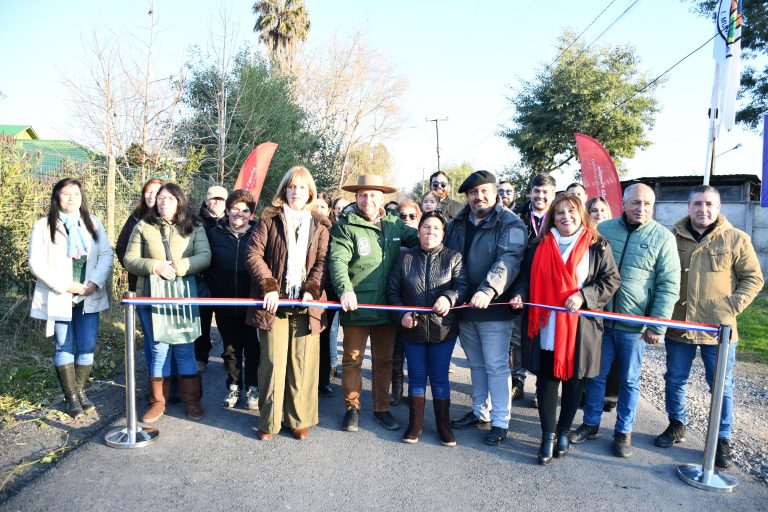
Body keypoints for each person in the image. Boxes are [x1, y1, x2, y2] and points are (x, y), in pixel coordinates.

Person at [654, 185, 763, 469]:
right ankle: (677, 424)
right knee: (675, 379)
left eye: (709, 204)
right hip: (679, 324)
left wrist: (730, 307)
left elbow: (753, 279)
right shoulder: (671, 237)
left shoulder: (736, 238)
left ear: (718, 207)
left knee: (721, 386)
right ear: (689, 207)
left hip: (719, 330)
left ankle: (722, 438)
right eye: (698, 204)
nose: (703, 209)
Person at [571, 183, 680, 458]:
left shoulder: (663, 238)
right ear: (624, 202)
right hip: (600, 320)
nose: (641, 208)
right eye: (635, 203)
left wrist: (657, 326)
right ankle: (590, 423)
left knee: (629, 380)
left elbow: (668, 286)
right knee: (595, 375)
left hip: (634, 326)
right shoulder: (604, 230)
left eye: (647, 204)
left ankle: (623, 431)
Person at [513, 194, 620, 464]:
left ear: (581, 214)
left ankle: (563, 433)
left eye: (571, 211)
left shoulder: (597, 245)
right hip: (545, 325)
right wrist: (519, 295)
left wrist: (584, 295)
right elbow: (525, 279)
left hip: (579, 327)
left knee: (574, 381)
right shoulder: (538, 245)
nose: (566, 217)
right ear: (552, 217)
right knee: (546, 380)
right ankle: (547, 436)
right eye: (559, 212)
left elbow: (611, 280)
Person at [245, 166, 331, 440]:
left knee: (302, 365)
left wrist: (312, 289)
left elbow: (322, 261)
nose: (296, 192)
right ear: (285, 190)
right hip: (275, 306)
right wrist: (268, 287)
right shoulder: (269, 219)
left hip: (306, 306)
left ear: (310, 193)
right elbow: (253, 254)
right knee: (272, 364)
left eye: (302, 187)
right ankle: (269, 422)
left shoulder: (320, 225)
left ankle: (298, 419)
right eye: (292, 187)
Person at [329, 175, 418, 432]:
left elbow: (421, 240)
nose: (367, 200)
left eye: (373, 195)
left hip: (387, 307)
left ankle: (382, 408)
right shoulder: (345, 226)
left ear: (382, 198)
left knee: (384, 361)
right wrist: (345, 289)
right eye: (363, 195)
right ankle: (352, 409)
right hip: (356, 305)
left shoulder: (394, 224)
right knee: (352, 359)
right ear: (356, 197)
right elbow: (337, 260)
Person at [444, 170, 528, 446]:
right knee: (476, 364)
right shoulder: (458, 222)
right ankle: (480, 410)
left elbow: (509, 259)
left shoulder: (511, 223)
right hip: (464, 306)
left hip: (494, 306)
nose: (478, 197)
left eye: (484, 191)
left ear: (495, 193)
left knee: (496, 365)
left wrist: (488, 289)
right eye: (473, 193)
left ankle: (501, 421)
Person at [124, 183, 211, 423]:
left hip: (183, 296)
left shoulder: (194, 227)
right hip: (151, 298)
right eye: (160, 198)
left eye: (170, 199)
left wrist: (179, 267)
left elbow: (205, 256)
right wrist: (155, 266)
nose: (164, 202)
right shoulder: (144, 225)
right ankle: (158, 402)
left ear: (180, 201)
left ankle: (192, 401)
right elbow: (129, 258)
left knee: (184, 348)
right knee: (159, 348)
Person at [29, 178, 113, 419]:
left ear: (81, 197)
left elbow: (106, 255)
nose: (72, 198)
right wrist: (66, 286)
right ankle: (71, 398)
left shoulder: (93, 222)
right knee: (64, 346)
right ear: (57, 197)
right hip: (60, 295)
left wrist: (93, 283)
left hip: (88, 295)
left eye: (76, 193)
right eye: (66, 193)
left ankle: (81, 392)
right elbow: (36, 263)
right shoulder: (43, 225)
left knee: (87, 346)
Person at [387, 211, 468, 446]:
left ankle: (443, 425)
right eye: (425, 227)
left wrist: (449, 297)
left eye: (436, 228)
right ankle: (415, 423)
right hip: (412, 330)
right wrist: (401, 313)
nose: (430, 232)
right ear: (418, 231)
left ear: (443, 233)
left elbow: (462, 286)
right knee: (417, 376)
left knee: (440, 377)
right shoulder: (404, 258)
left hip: (443, 330)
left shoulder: (454, 257)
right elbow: (392, 291)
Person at [205, 189, 260, 410]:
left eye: (245, 210)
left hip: (253, 304)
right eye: (235, 209)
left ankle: (253, 388)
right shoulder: (214, 234)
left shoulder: (258, 233)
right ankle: (234, 386)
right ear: (227, 210)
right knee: (230, 349)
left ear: (251, 214)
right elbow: (206, 264)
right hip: (224, 303)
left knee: (253, 349)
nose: (240, 214)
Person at [512, 174, 557, 406]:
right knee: (517, 337)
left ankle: (541, 387)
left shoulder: (560, 216)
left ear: (553, 194)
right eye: (536, 191)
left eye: (545, 192)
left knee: (544, 337)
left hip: (548, 285)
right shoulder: (516, 215)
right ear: (530, 192)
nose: (540, 196)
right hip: (520, 281)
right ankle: (517, 381)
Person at [388, 199, 423, 405]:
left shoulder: (424, 240)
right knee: (395, 348)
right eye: (402, 216)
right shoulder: (392, 239)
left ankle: (415, 391)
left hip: (417, 301)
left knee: (416, 351)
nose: (407, 219)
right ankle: (397, 388)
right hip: (395, 300)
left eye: (412, 216)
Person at [195, 184, 228, 373]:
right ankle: (201, 357)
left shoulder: (232, 221)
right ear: (206, 200)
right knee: (202, 322)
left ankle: (229, 356)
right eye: (213, 198)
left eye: (220, 199)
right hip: (203, 279)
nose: (216, 202)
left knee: (226, 322)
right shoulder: (195, 221)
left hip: (224, 279)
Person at [116, 178, 165, 293]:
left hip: (164, 281)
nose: (151, 196)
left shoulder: (170, 218)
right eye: (149, 192)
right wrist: (133, 267)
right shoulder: (135, 218)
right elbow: (121, 247)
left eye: (156, 192)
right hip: (138, 281)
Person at [314, 191, 335, 397]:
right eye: (315, 205)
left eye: (322, 207)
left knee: (324, 334)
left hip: (329, 291)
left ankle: (322, 379)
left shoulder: (334, 231)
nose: (318, 210)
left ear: (329, 210)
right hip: (309, 289)